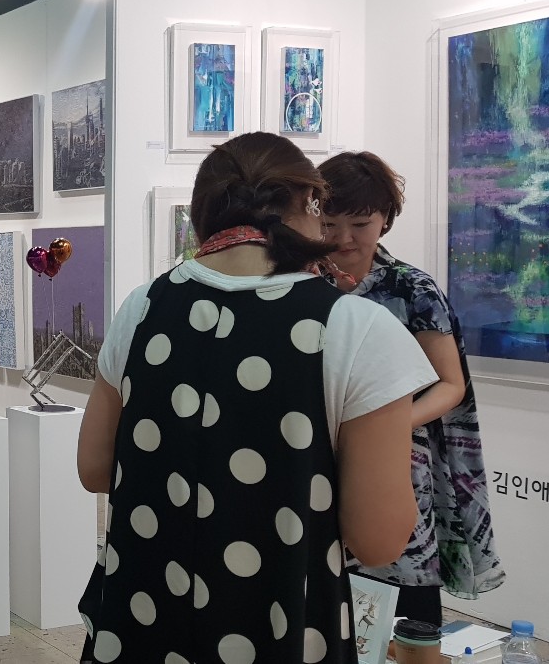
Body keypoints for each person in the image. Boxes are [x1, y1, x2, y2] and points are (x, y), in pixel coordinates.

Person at [75, 132, 439, 663]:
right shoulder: (354, 327)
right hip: (280, 623)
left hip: (145, 615)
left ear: (204, 215)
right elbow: (379, 539)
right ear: (307, 204)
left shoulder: (143, 308)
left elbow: (94, 468)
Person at [320, 151, 504, 623]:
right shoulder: (302, 283)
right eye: (330, 223)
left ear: (385, 219)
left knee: (401, 598)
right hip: (315, 453)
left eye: (360, 224)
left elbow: (450, 385)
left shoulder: (411, 289)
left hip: (397, 459)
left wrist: (382, 427)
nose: (343, 238)